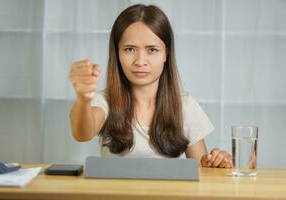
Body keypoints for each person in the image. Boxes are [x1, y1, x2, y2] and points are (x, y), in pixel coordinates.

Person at [69, 4, 232, 168]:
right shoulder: (105, 101)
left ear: (166, 54)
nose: (140, 62)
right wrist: (83, 100)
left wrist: (216, 163)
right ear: (117, 53)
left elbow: (202, 170)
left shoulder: (185, 106)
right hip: (115, 194)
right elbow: (82, 133)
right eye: (130, 49)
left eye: (152, 50)